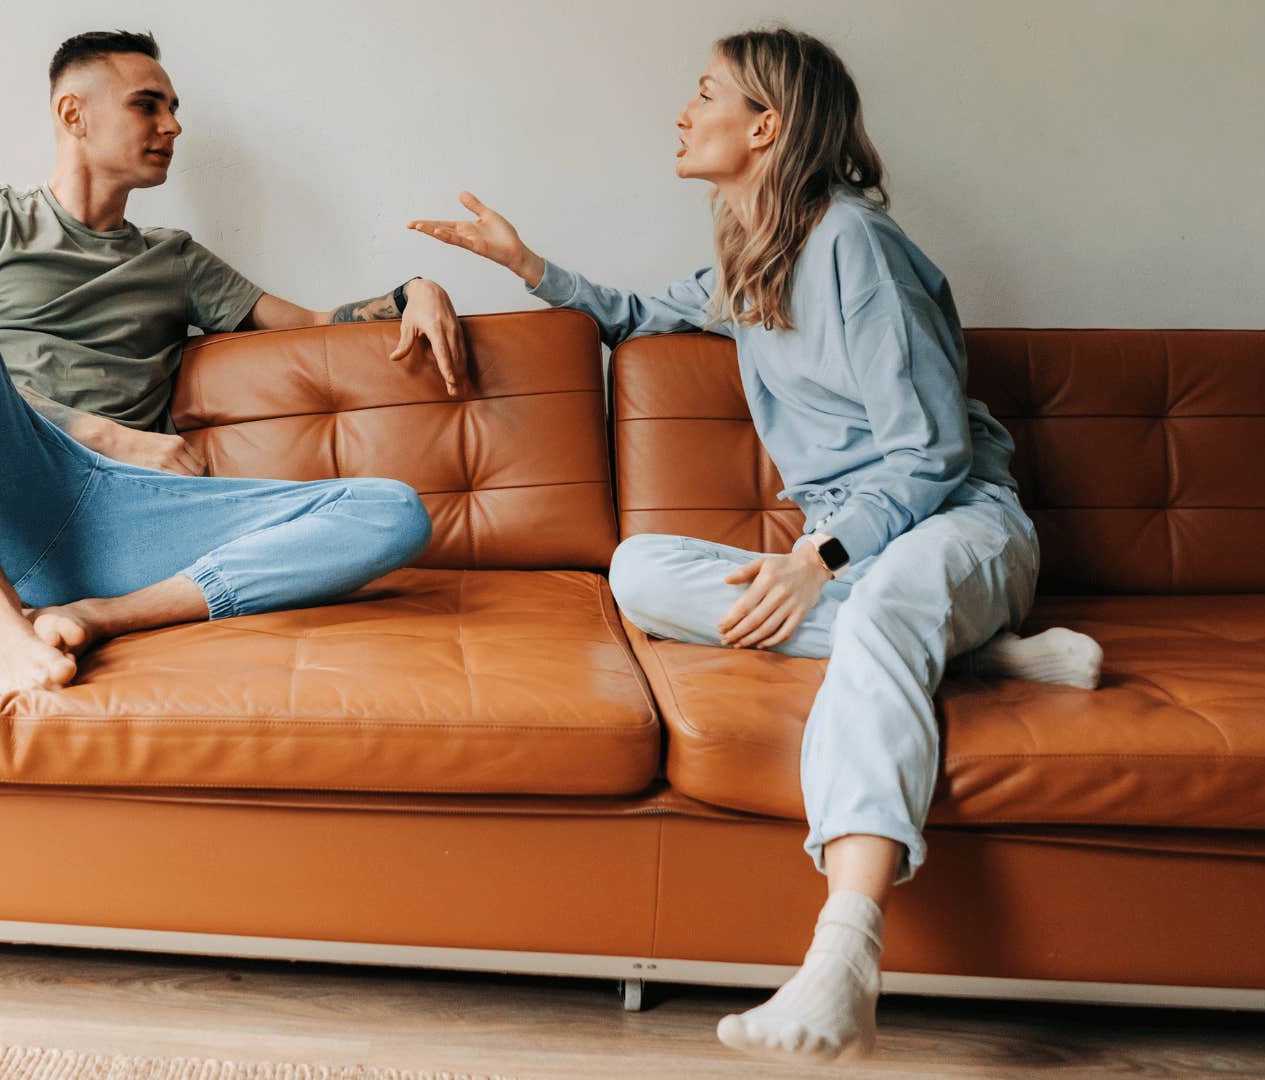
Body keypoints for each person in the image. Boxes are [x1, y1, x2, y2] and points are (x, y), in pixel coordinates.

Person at [411, 26, 1102, 1064]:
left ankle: (843, 956)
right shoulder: (753, 257)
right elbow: (640, 314)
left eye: (704, 96)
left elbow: (930, 454)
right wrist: (528, 266)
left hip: (959, 525)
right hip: (859, 559)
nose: (683, 115)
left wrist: (811, 562)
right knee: (639, 571)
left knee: (878, 608)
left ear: (766, 126)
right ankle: (980, 655)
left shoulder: (854, 246)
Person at [0, 30, 467, 692]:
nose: (172, 126)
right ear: (74, 114)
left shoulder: (174, 258)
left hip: (116, 519)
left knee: (391, 510)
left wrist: (417, 290)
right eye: (147, 105)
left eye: (173, 108)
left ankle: (97, 618)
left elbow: (319, 326)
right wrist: (105, 433)